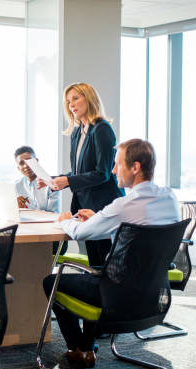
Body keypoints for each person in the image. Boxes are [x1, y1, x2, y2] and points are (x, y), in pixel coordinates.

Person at [42, 139, 180, 368]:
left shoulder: (125, 205)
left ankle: (78, 349)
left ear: (135, 167)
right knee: (95, 275)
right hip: (152, 295)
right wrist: (99, 217)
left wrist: (66, 221)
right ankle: (86, 346)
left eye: (117, 164)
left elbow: (81, 233)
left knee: (51, 281)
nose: (113, 170)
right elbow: (138, 231)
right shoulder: (169, 197)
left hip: (116, 296)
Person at [39, 83, 124, 267]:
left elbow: (103, 173)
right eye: (68, 101)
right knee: (94, 261)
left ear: (89, 99)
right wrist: (55, 180)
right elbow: (79, 172)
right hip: (84, 205)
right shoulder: (77, 132)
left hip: (102, 204)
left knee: (105, 262)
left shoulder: (101, 129)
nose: (71, 105)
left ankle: (106, 295)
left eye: (76, 98)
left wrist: (68, 180)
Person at [14, 145, 59, 212]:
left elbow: (53, 213)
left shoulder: (51, 183)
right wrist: (16, 207)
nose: (26, 165)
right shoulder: (16, 186)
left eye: (29, 160)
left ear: (36, 161)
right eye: (21, 163)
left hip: (47, 221)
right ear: (18, 168)